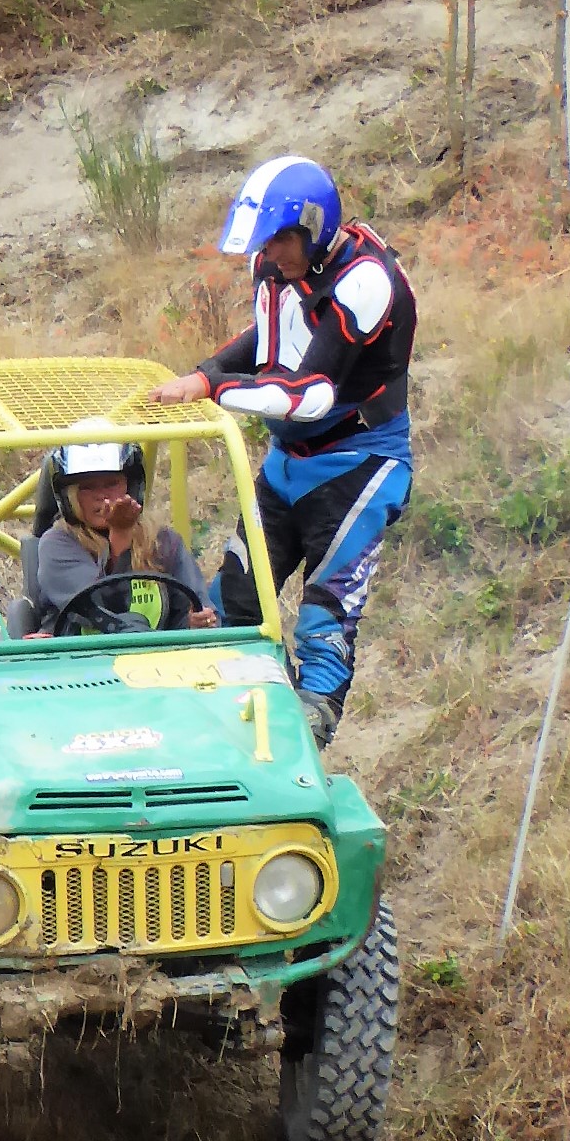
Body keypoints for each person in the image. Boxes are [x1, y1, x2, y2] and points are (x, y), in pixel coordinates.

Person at [148, 155, 415, 747]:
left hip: (359, 462)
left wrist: (211, 387)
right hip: (287, 460)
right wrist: (206, 370)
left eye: (279, 241)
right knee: (231, 598)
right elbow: (267, 342)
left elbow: (312, 393)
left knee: (325, 611)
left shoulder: (365, 280)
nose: (269, 255)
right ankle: (229, 726)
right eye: (264, 244)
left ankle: (307, 737)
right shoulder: (275, 269)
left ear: (315, 227)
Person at [37, 427, 218, 634]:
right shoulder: (58, 544)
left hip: (162, 651)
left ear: (131, 487)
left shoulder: (164, 542)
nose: (102, 496)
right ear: (70, 496)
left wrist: (196, 623)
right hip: (81, 652)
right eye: (88, 487)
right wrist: (120, 534)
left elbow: (196, 611)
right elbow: (104, 612)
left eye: (112, 483)